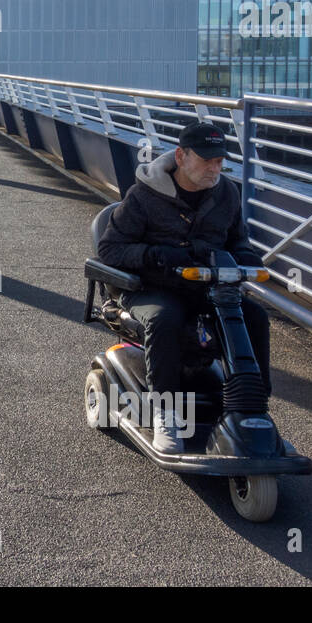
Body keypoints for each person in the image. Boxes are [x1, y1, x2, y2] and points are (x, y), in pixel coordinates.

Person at [97, 121, 270, 453]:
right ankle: (166, 414)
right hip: (151, 286)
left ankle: (255, 410)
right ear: (181, 156)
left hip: (204, 287)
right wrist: (156, 255)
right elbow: (110, 249)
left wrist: (248, 260)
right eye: (207, 160)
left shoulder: (226, 193)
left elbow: (238, 242)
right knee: (164, 320)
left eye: (219, 161)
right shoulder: (143, 196)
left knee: (255, 317)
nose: (215, 168)